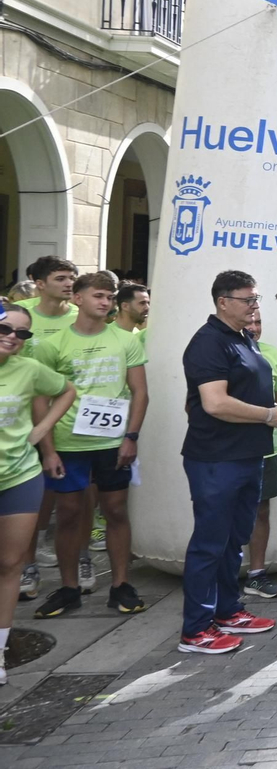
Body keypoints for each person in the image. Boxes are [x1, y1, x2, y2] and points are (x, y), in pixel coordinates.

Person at [177, 271, 277, 653]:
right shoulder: (209, 342)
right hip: (216, 459)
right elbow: (214, 403)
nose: (255, 306)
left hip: (247, 455)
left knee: (233, 540)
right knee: (210, 543)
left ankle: (228, 610)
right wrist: (267, 415)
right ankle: (195, 629)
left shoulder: (243, 338)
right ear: (223, 302)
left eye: (256, 299)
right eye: (248, 299)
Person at [31, 272, 148, 619]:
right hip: (68, 443)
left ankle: (121, 585)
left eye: (109, 297)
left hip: (112, 443)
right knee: (68, 513)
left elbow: (141, 392)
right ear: (78, 299)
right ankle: (69, 588)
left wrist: (131, 437)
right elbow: (41, 399)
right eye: (98, 295)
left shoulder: (125, 340)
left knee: (116, 511)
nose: (105, 302)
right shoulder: (53, 345)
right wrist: (48, 450)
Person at [0, 302, 76, 684]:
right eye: (5, 329)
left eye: (22, 333)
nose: (13, 337)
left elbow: (67, 390)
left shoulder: (29, 369)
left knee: (10, 564)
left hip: (19, 476)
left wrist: (41, 430)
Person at [243, 318, 277, 598]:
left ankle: (256, 575)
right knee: (228, 511)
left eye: (258, 322)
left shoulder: (271, 353)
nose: (254, 327)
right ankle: (221, 576)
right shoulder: (222, 351)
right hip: (231, 450)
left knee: (261, 510)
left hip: (266, 448)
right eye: (249, 321)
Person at [110, 283, 150, 349]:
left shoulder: (138, 334)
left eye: (148, 303)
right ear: (125, 306)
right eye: (142, 303)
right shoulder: (107, 334)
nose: (147, 308)